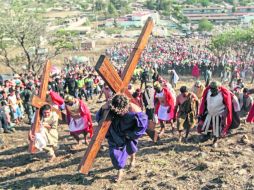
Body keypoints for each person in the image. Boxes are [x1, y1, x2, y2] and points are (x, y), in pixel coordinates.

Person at [96, 94, 148, 182]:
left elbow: (142, 125)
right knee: (114, 153)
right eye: (117, 111)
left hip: (128, 132)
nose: (120, 113)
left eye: (121, 111)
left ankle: (132, 159)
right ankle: (120, 170)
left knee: (131, 148)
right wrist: (103, 108)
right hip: (115, 132)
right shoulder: (110, 105)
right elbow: (99, 116)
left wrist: (131, 134)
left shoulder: (135, 110)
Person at [198, 81, 239, 147]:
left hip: (218, 115)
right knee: (207, 126)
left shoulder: (223, 94)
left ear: (218, 88)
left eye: (214, 89)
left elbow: (227, 106)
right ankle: (207, 136)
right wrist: (202, 112)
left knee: (216, 130)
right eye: (212, 89)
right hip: (209, 113)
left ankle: (215, 141)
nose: (213, 90)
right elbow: (204, 102)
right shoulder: (208, 92)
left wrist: (224, 117)